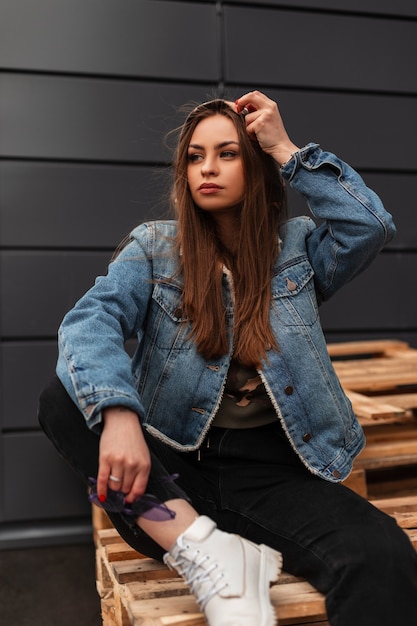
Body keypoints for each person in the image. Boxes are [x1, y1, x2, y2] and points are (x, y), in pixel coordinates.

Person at [38, 90, 417, 626]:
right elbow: (88, 323)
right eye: (195, 156)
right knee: (62, 399)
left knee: (381, 556)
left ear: (255, 164)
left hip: (277, 475)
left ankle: (220, 550)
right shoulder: (154, 248)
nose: (207, 168)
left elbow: (370, 226)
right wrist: (120, 416)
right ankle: (203, 548)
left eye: (228, 153)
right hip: (167, 480)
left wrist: (285, 148)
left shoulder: (300, 250)